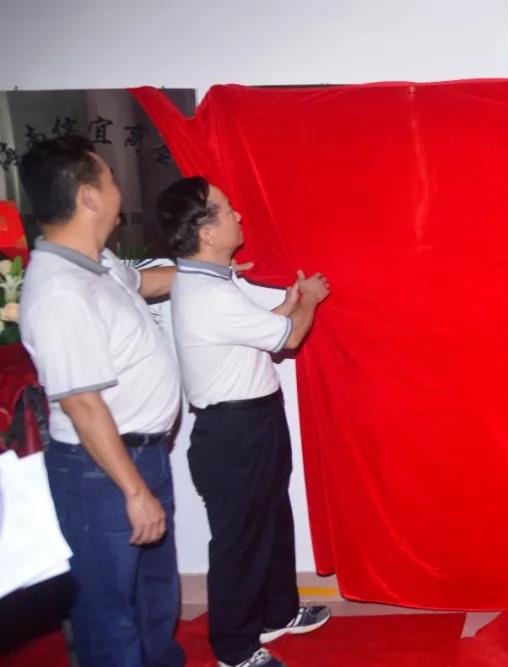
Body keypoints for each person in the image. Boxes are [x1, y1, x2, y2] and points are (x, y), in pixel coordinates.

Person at [18, 136, 184, 667]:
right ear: (88, 197)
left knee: (154, 594)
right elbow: (83, 405)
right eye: (110, 179)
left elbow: (146, 283)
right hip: (102, 473)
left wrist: (213, 270)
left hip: (141, 455)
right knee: (109, 610)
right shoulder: (60, 292)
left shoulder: (97, 263)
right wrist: (134, 491)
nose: (118, 188)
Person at [157, 177, 330, 667]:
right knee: (240, 541)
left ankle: (278, 612)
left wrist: (288, 306)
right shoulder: (207, 292)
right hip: (233, 433)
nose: (239, 216)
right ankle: (234, 649)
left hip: (254, 419)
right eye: (227, 209)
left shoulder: (212, 283)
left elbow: (256, 332)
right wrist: (310, 298)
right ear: (206, 232)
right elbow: (288, 339)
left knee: (272, 517)